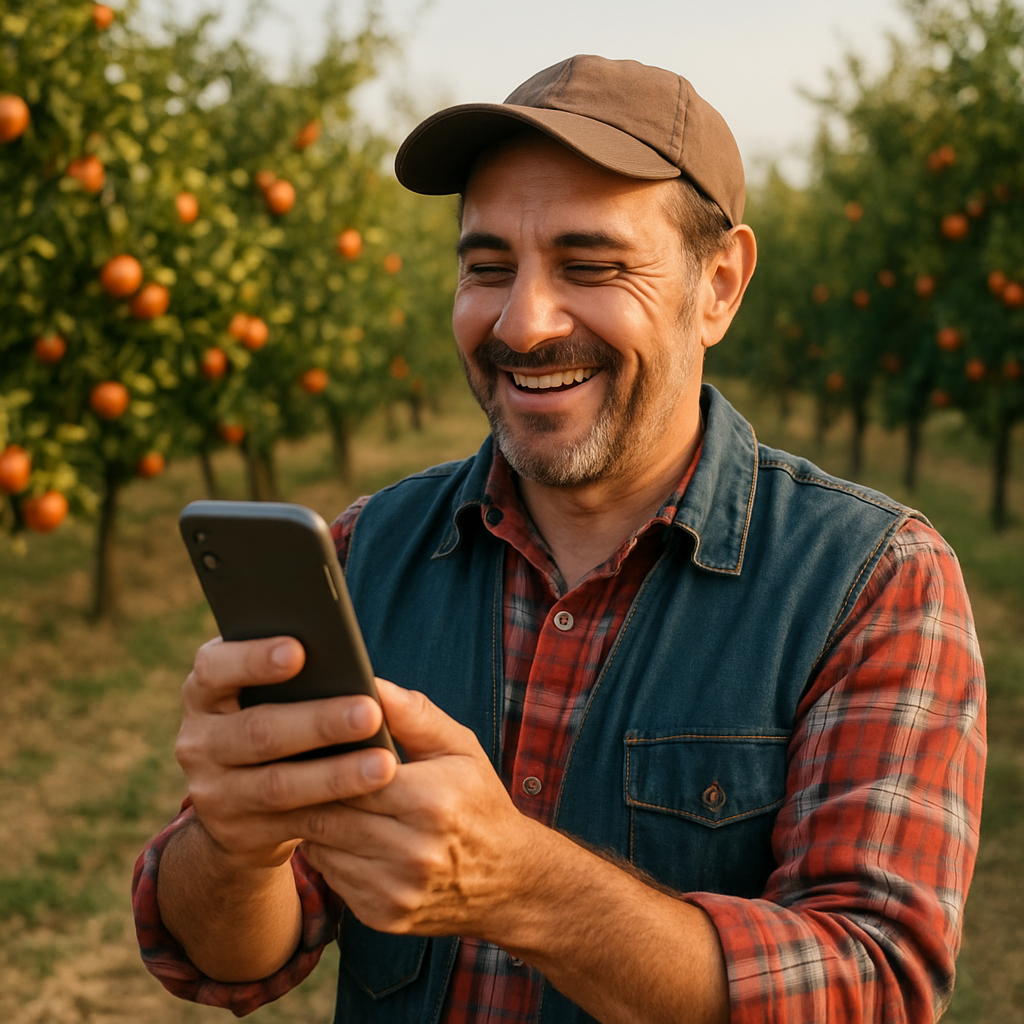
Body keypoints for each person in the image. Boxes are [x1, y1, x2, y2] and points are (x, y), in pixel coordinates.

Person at [133, 55, 986, 1024]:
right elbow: (227, 958)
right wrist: (237, 846)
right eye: (487, 266)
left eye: (591, 266)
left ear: (718, 284)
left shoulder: (868, 580)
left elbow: (874, 986)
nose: (523, 322)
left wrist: (524, 887)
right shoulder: (367, 551)